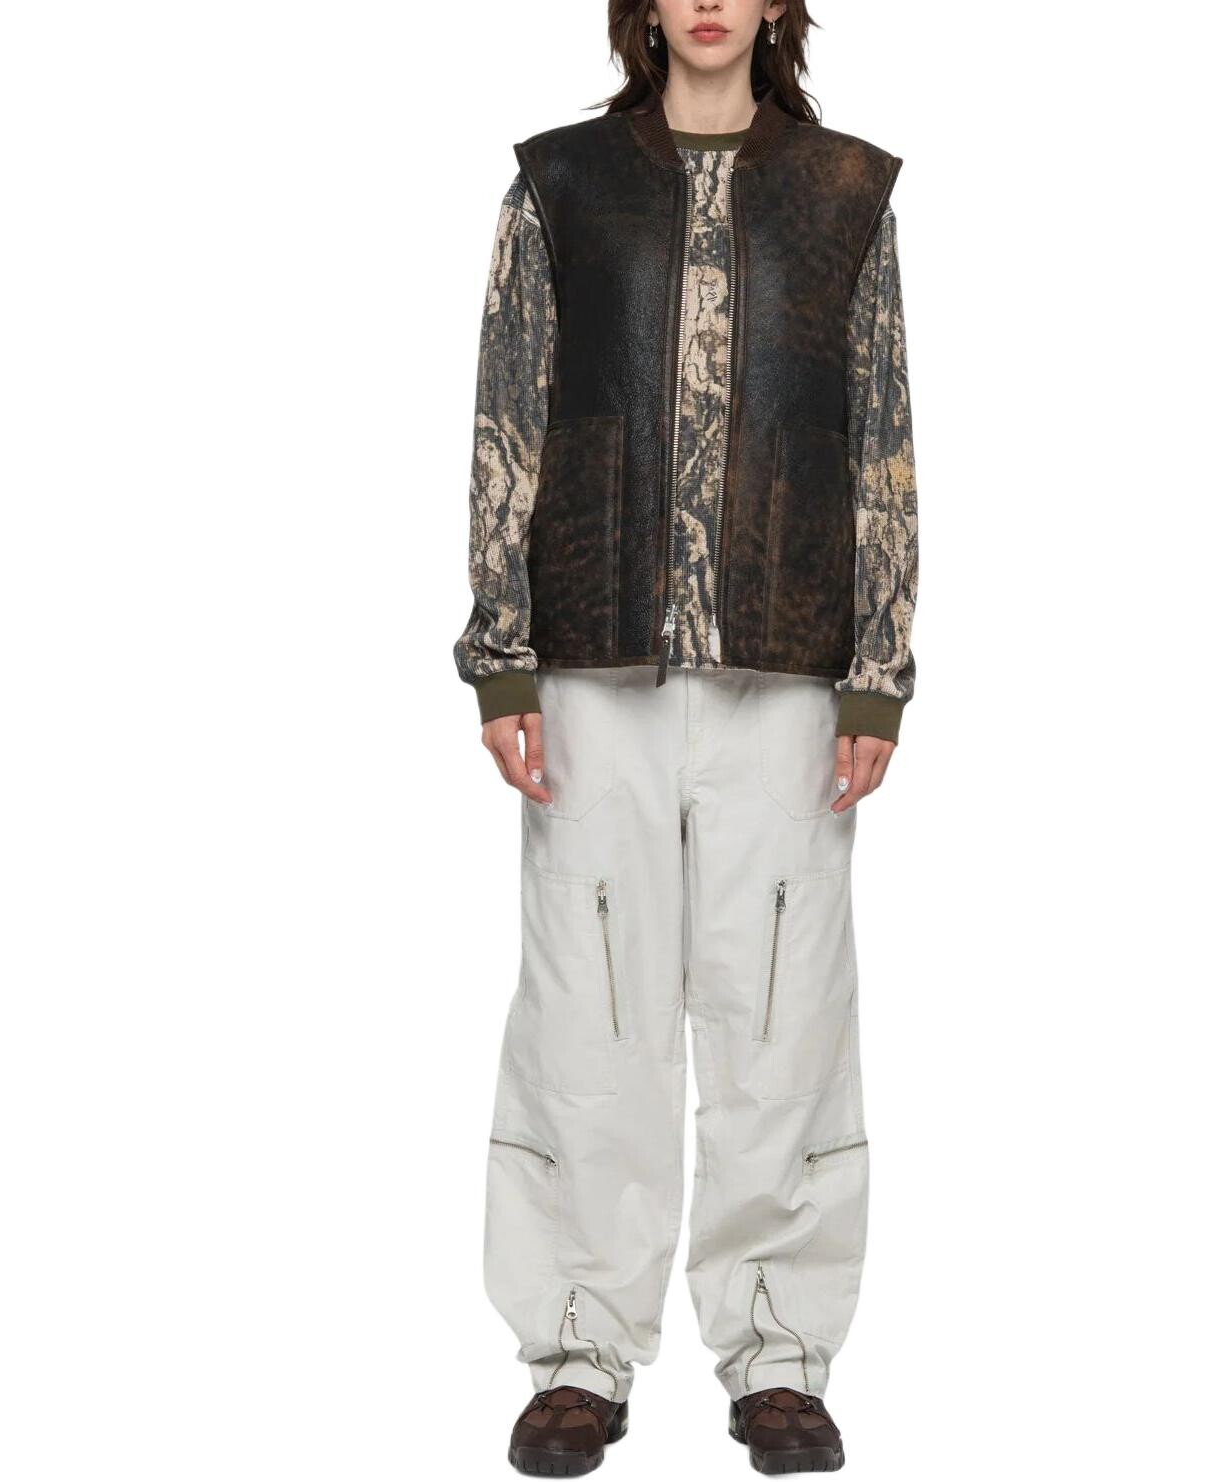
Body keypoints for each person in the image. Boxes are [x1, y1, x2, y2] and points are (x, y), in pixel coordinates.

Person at [453, 2, 917, 1473]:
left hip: (791, 660)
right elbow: (507, 414)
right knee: (587, 1012)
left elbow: (882, 434)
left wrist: (878, 671)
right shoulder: (561, 184)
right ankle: (578, 1350)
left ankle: (778, 1353)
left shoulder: (845, 192)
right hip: (592, 658)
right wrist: (502, 657)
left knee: (781, 1013)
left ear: (777, 4)